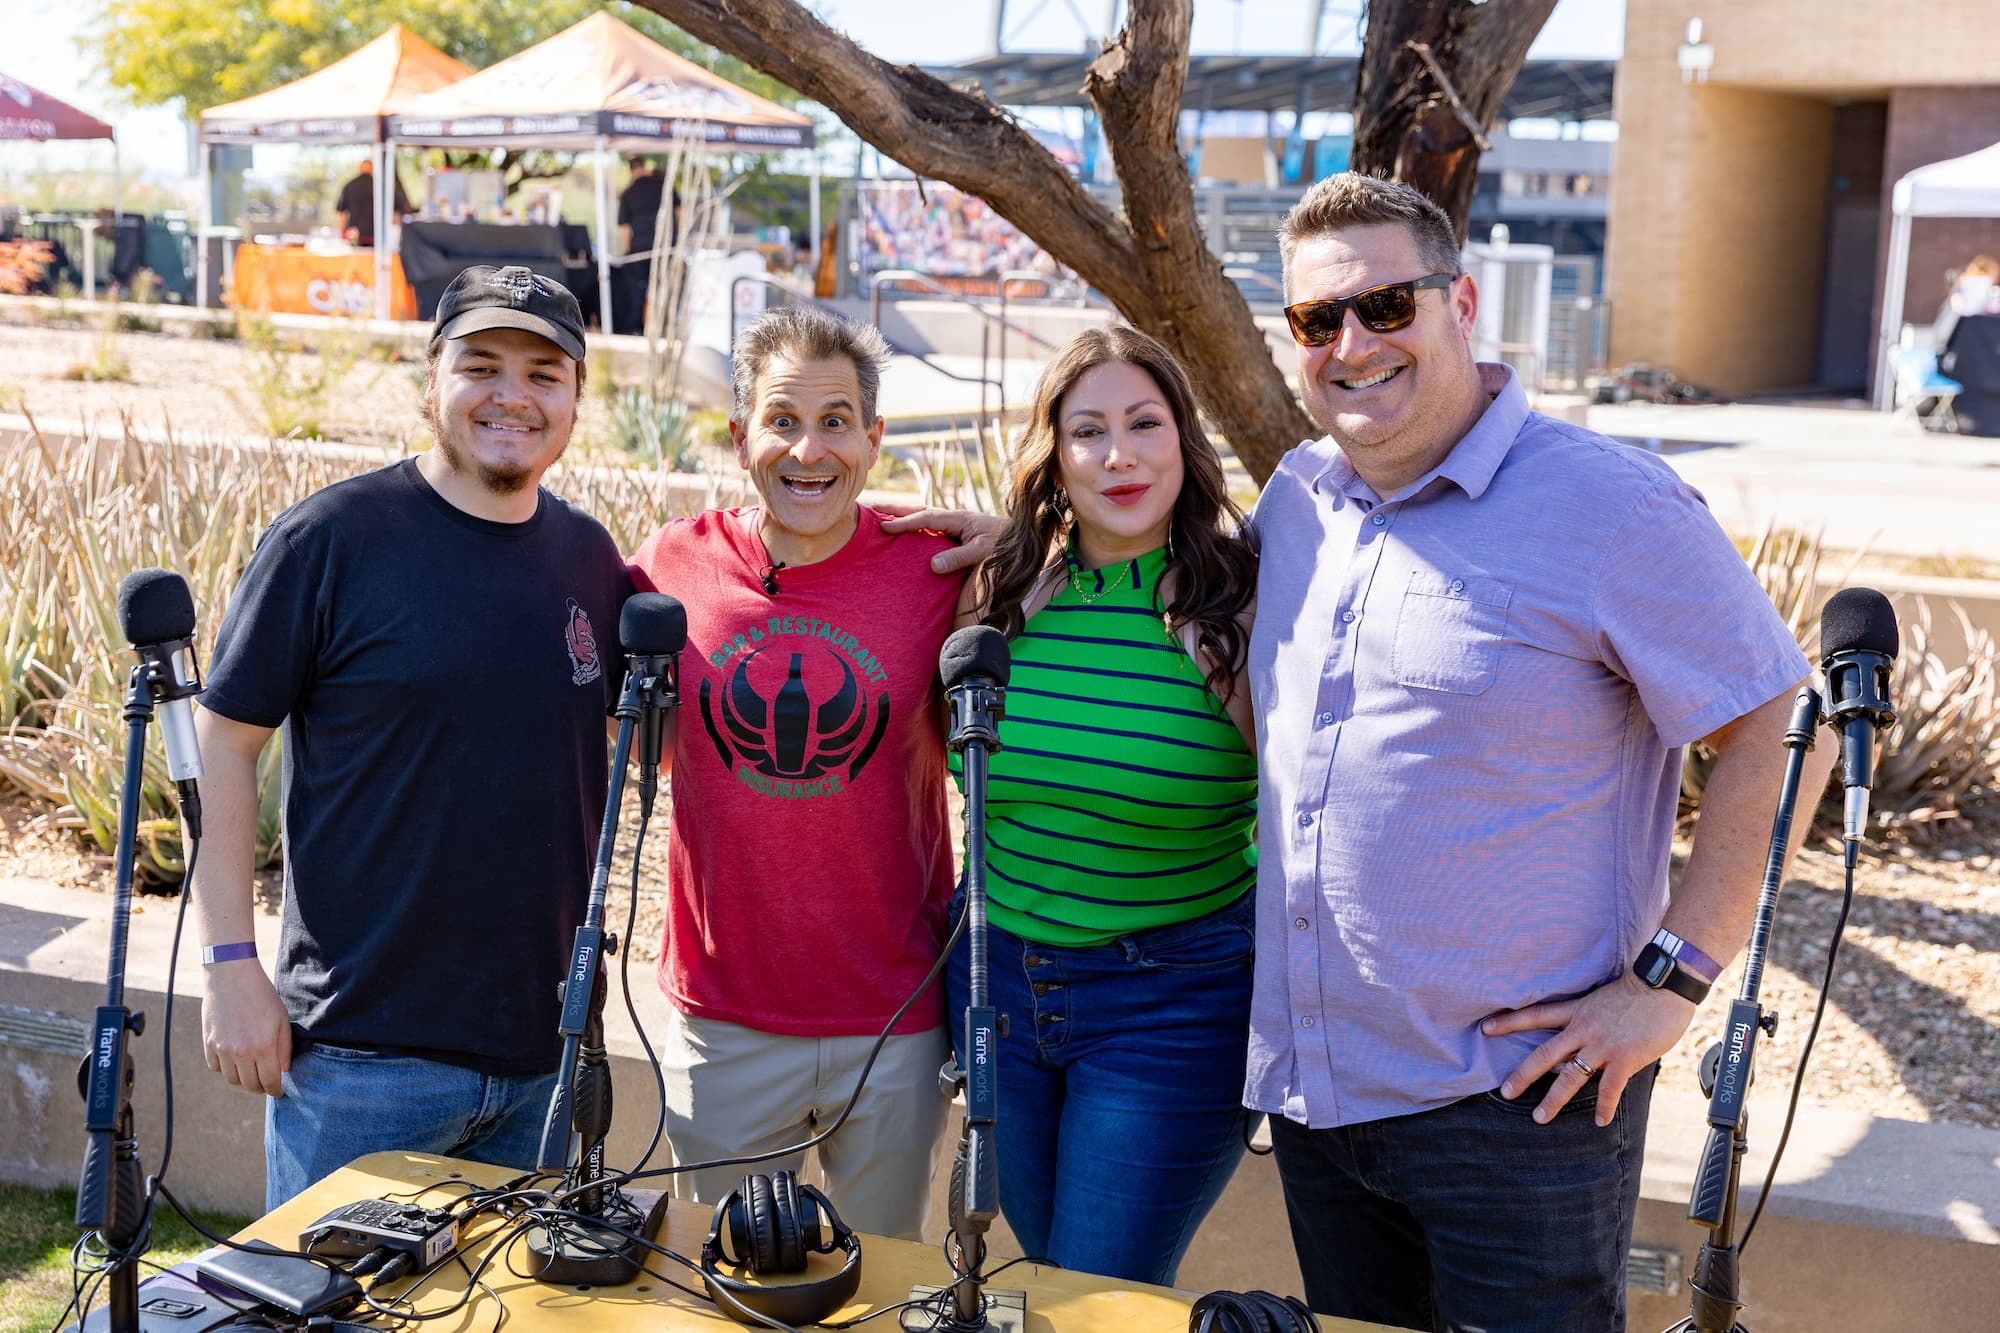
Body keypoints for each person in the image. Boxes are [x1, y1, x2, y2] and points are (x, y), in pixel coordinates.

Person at [1247, 173, 1834, 1331]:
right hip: (1320, 1100)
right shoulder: (1296, 500)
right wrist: (1023, 544)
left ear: (1460, 302)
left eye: (1385, 305)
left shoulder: (1609, 505)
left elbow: (1781, 725)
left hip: (1517, 1108)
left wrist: (1669, 981)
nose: (1351, 344)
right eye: (1317, 319)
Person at [193, 266, 630, 1209]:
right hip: (359, 1062)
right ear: (430, 378)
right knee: (330, 1294)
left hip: (546, 1058)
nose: (512, 395)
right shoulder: (329, 540)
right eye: (482, 366)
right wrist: (229, 965)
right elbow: (223, 740)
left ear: (576, 398)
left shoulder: (591, 559)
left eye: (544, 373)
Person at [627, 305, 959, 1240]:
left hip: (894, 1019)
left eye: (835, 421)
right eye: (782, 420)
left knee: (883, 1280)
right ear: (740, 438)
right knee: (724, 1281)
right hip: (726, 1022)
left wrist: (1007, 529)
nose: (808, 450)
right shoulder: (670, 564)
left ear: (873, 439)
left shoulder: (938, 567)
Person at [944, 326, 1260, 1286]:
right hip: (998, 985)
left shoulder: (1239, 607)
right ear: (1055, 454)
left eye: (1144, 423)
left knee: (1094, 1293)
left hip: (1172, 999)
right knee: (1045, 1278)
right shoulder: (1000, 594)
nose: (1119, 454)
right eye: (1088, 431)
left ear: (1184, 440)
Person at [613, 156, 677, 335]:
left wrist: (627, 251)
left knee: (637, 289)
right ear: (644, 167)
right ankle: (664, 326)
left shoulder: (629, 193)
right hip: (665, 246)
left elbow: (624, 227)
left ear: (631, 170)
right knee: (663, 287)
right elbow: (679, 211)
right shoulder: (663, 186)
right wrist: (677, 237)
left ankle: (635, 327)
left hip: (639, 249)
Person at [334, 158, 412, 247]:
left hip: (355, 236)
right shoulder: (381, 186)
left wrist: (342, 234)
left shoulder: (349, 186)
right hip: (377, 236)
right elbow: (395, 213)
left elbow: (341, 213)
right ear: (372, 169)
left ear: (360, 169)